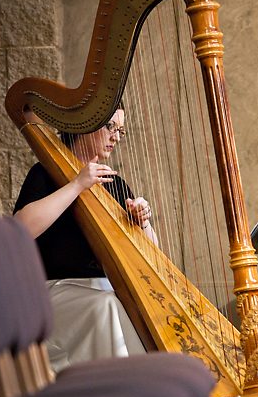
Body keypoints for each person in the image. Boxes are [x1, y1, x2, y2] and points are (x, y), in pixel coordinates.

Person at [13, 105, 156, 373]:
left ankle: (146, 390)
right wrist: (78, 184)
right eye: (110, 127)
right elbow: (20, 229)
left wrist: (143, 221)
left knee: (135, 308)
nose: (115, 136)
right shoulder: (45, 173)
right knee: (107, 307)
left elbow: (152, 257)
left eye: (120, 131)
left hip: (106, 291)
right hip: (52, 292)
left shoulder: (116, 183)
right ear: (85, 124)